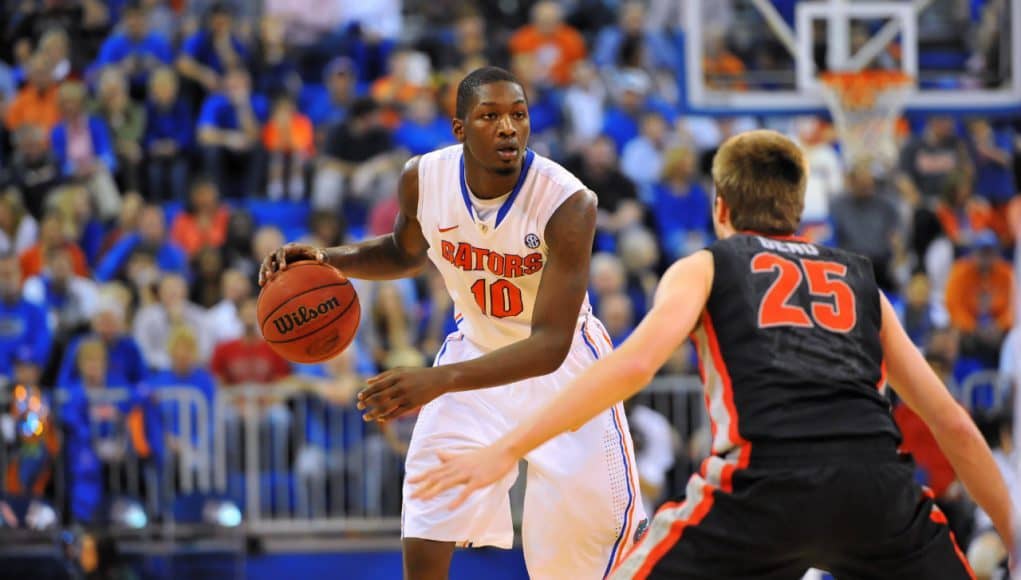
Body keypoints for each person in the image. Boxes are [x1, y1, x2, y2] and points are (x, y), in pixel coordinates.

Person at [410, 130, 1016, 579]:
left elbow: (629, 367)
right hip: (876, 490)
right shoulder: (862, 281)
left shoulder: (706, 265)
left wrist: (506, 448)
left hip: (762, 484)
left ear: (720, 208)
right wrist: (1014, 538)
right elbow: (955, 425)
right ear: (798, 211)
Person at [260, 66, 646, 579]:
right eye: (490, 116)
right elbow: (404, 251)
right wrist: (328, 260)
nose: (508, 127)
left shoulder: (569, 203)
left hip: (566, 375)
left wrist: (434, 380)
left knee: (581, 563)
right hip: (475, 354)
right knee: (428, 501)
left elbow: (550, 344)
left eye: (518, 115)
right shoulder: (424, 178)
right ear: (460, 129)